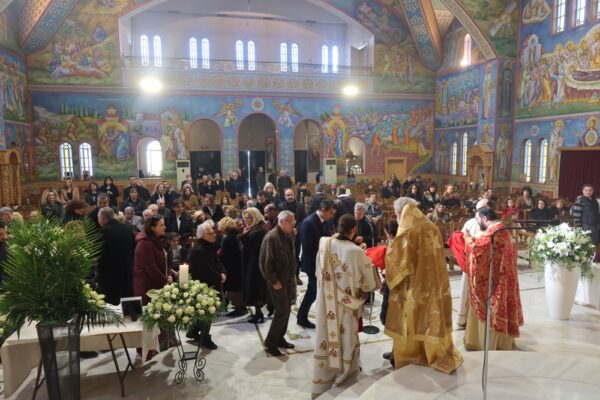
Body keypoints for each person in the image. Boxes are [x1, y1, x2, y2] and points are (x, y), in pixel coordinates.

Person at [384, 197, 463, 373]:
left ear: (401, 212)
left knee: (410, 318)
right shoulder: (431, 226)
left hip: (414, 284)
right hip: (434, 282)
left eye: (396, 214)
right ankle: (430, 352)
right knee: (428, 318)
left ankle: (411, 353)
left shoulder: (408, 230)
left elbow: (398, 262)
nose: (397, 217)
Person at [311, 214, 381, 397]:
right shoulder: (355, 251)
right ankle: (345, 378)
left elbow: (317, 271)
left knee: (326, 337)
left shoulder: (324, 243)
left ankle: (324, 377)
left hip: (325, 302)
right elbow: (370, 283)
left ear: (337, 227)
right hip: (345, 306)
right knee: (346, 337)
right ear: (354, 230)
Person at [463, 206, 524, 350]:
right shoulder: (502, 228)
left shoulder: (495, 231)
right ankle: (502, 342)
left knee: (491, 307)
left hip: (496, 280)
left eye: (477, 219)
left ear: (485, 218)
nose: (477, 222)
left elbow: (477, 248)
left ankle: (487, 344)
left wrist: (467, 238)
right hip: (504, 276)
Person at [259, 210, 297, 356]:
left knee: (286, 310)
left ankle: (280, 338)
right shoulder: (271, 237)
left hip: (288, 279)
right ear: (281, 222)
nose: (293, 225)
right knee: (281, 312)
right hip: (278, 282)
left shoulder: (288, 235)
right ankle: (270, 342)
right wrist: (274, 281)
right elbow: (264, 263)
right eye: (291, 222)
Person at [187, 222, 226, 350]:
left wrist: (223, 272)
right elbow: (206, 270)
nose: (214, 234)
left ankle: (192, 331)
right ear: (203, 235)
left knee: (206, 311)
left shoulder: (210, 245)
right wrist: (219, 277)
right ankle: (205, 338)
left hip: (212, 281)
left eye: (214, 232)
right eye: (211, 233)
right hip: (205, 285)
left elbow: (217, 261)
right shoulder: (199, 250)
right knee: (208, 312)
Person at [297, 199, 336, 329]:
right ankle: (302, 317)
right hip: (312, 263)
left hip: (321, 262)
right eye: (330, 213)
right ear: (323, 210)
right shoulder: (308, 223)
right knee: (313, 290)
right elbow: (307, 247)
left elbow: (326, 236)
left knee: (314, 290)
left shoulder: (326, 221)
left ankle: (302, 316)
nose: (332, 216)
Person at [97, 207, 134, 305]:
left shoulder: (103, 231)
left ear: (102, 218)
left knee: (111, 304)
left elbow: (98, 254)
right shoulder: (127, 228)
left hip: (110, 276)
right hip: (126, 273)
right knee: (126, 303)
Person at [238, 207, 269, 323]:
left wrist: (243, 235)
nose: (246, 220)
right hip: (250, 262)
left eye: (248, 218)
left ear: (255, 217)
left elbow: (252, 247)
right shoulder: (253, 228)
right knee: (254, 288)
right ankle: (258, 312)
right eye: (245, 218)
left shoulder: (259, 230)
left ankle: (259, 313)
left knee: (256, 288)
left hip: (255, 264)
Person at [218, 217, 246, 317]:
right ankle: (241, 306)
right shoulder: (236, 235)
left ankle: (239, 308)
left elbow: (225, 254)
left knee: (235, 288)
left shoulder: (229, 238)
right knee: (238, 286)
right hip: (238, 265)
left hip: (232, 266)